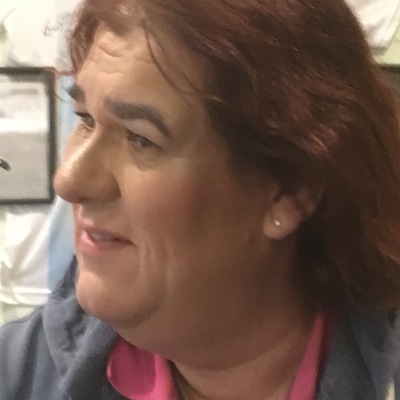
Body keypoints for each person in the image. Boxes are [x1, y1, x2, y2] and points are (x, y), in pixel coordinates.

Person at [1, 0, 400, 399]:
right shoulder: (19, 375)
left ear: (292, 191)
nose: (69, 180)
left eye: (141, 139)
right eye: (86, 119)